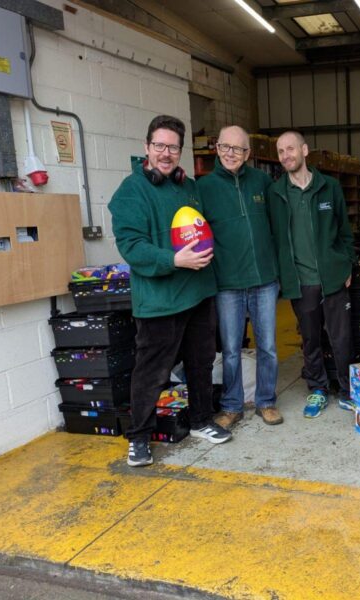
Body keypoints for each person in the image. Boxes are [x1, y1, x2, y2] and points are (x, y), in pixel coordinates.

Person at [109, 115, 232, 468]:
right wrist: (173, 260)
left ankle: (201, 420)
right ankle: (139, 438)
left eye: (173, 147)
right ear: (147, 147)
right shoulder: (131, 192)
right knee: (152, 372)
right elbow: (131, 245)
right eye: (159, 146)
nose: (166, 153)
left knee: (201, 362)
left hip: (199, 292)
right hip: (159, 300)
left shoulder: (188, 187)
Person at [197, 126, 282, 428]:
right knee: (230, 349)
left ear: (248, 153)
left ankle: (266, 401)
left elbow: (277, 225)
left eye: (238, 149)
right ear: (217, 148)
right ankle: (232, 406)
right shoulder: (203, 188)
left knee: (268, 346)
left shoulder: (262, 182)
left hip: (264, 279)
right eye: (225, 147)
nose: (230, 153)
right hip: (227, 283)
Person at [268, 130, 356, 418]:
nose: (286, 156)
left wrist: (347, 264)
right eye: (281, 151)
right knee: (310, 339)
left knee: (341, 338)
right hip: (301, 281)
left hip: (333, 277)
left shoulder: (329, 187)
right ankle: (318, 388)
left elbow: (345, 231)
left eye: (290, 149)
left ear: (304, 150)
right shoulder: (276, 193)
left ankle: (347, 390)